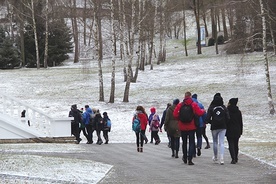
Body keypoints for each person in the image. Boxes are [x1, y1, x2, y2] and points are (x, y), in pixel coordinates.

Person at [173, 92, 205, 165]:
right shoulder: (193, 104)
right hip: (191, 126)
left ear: (184, 96)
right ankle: (190, 158)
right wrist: (204, 111)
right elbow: (199, 113)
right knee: (191, 142)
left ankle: (184, 157)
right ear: (190, 97)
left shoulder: (180, 105)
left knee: (184, 142)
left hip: (182, 126)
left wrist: (180, 119)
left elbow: (175, 114)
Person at [206, 93, 230, 165]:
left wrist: (212, 122)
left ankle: (215, 156)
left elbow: (207, 119)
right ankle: (222, 158)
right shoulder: (224, 107)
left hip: (214, 127)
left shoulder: (211, 107)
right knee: (222, 142)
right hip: (223, 127)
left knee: (215, 142)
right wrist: (224, 123)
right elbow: (228, 118)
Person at [226, 98, 243, 164]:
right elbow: (240, 122)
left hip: (229, 129)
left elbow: (226, 120)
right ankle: (236, 157)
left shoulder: (227, 111)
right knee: (236, 144)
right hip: (237, 129)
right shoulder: (238, 111)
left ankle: (233, 158)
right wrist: (241, 131)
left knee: (231, 144)